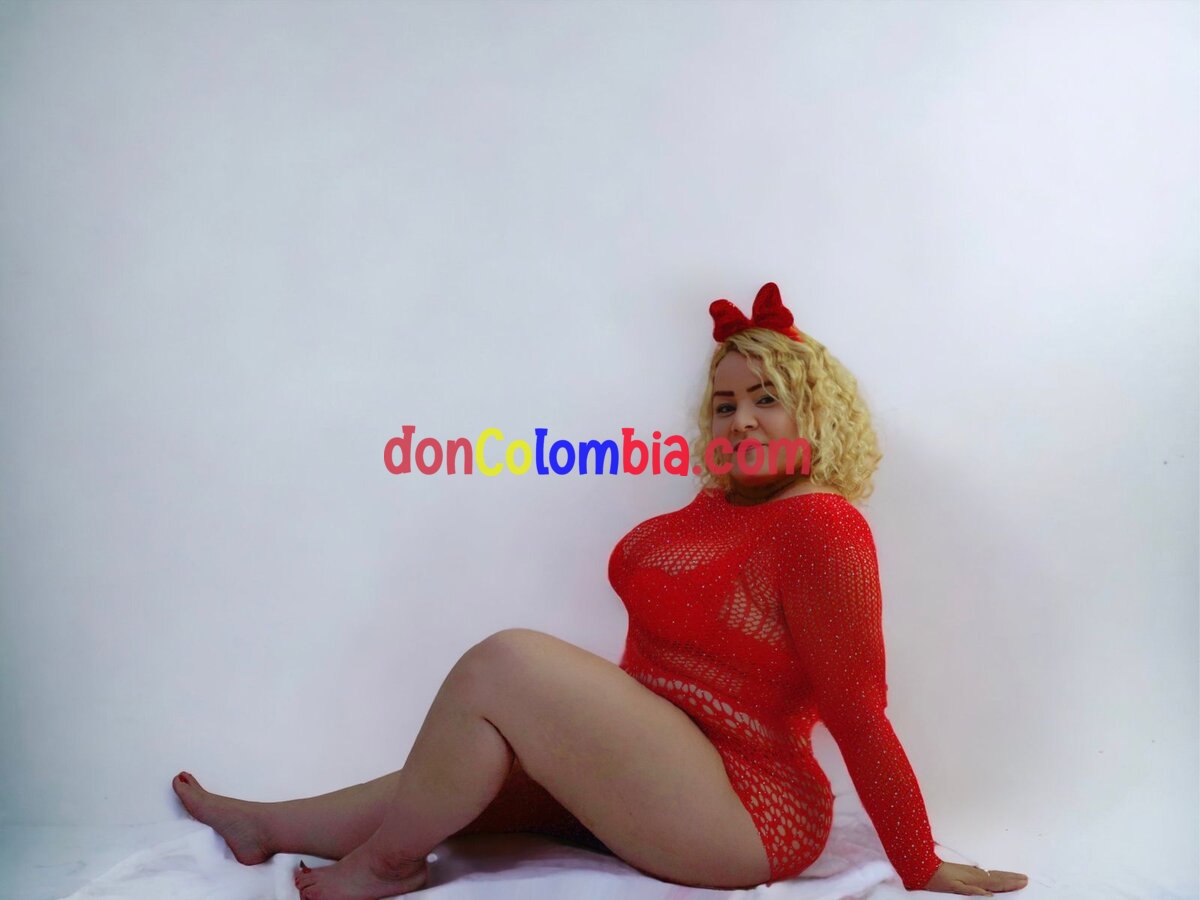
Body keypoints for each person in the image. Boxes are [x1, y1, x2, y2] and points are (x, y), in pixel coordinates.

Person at [171, 282, 1029, 900]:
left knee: (505, 663)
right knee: (472, 765)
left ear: (816, 415)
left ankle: (385, 866)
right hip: (660, 771)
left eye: (765, 400)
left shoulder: (821, 525)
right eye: (724, 405)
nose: (739, 421)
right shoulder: (720, 506)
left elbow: (857, 708)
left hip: (747, 809)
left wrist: (918, 861)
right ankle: (268, 825)